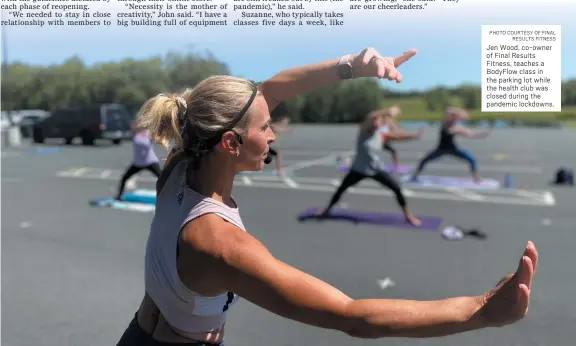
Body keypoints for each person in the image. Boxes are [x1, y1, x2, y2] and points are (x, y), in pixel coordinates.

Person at [115, 47, 538, 346]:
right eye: (266, 128)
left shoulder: (178, 164)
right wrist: (481, 310)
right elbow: (352, 316)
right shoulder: (221, 246)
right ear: (230, 142)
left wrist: (351, 65)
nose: (273, 134)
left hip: (138, 334)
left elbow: (270, 91)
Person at [315, 110, 422, 226]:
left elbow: (398, 137)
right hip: (358, 170)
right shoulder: (363, 132)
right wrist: (387, 112)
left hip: (375, 170)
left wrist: (414, 136)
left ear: (381, 123)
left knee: (396, 188)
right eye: (374, 121)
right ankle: (327, 210)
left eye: (378, 121)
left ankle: (408, 216)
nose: (375, 123)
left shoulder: (381, 135)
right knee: (341, 189)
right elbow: (371, 116)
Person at [409, 107, 491, 184]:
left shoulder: (457, 127)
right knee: (424, 160)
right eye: (454, 117)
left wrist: (483, 134)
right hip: (441, 149)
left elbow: (470, 134)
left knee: (471, 159)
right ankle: (414, 177)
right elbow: (448, 110)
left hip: (453, 149)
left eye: (456, 117)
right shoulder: (445, 123)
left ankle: (476, 178)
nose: (455, 118)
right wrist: (460, 112)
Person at [115, 125, 162, 200]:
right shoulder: (136, 134)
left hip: (150, 161)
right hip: (138, 162)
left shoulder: (149, 134)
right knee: (125, 178)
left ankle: (168, 196)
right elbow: (131, 130)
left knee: (162, 178)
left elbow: (158, 139)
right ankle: (119, 196)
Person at [377, 105, 424, 169]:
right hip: (380, 141)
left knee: (393, 151)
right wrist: (414, 136)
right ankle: (395, 166)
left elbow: (397, 131)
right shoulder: (384, 122)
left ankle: (395, 165)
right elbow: (398, 136)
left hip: (383, 140)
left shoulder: (388, 122)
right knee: (392, 150)